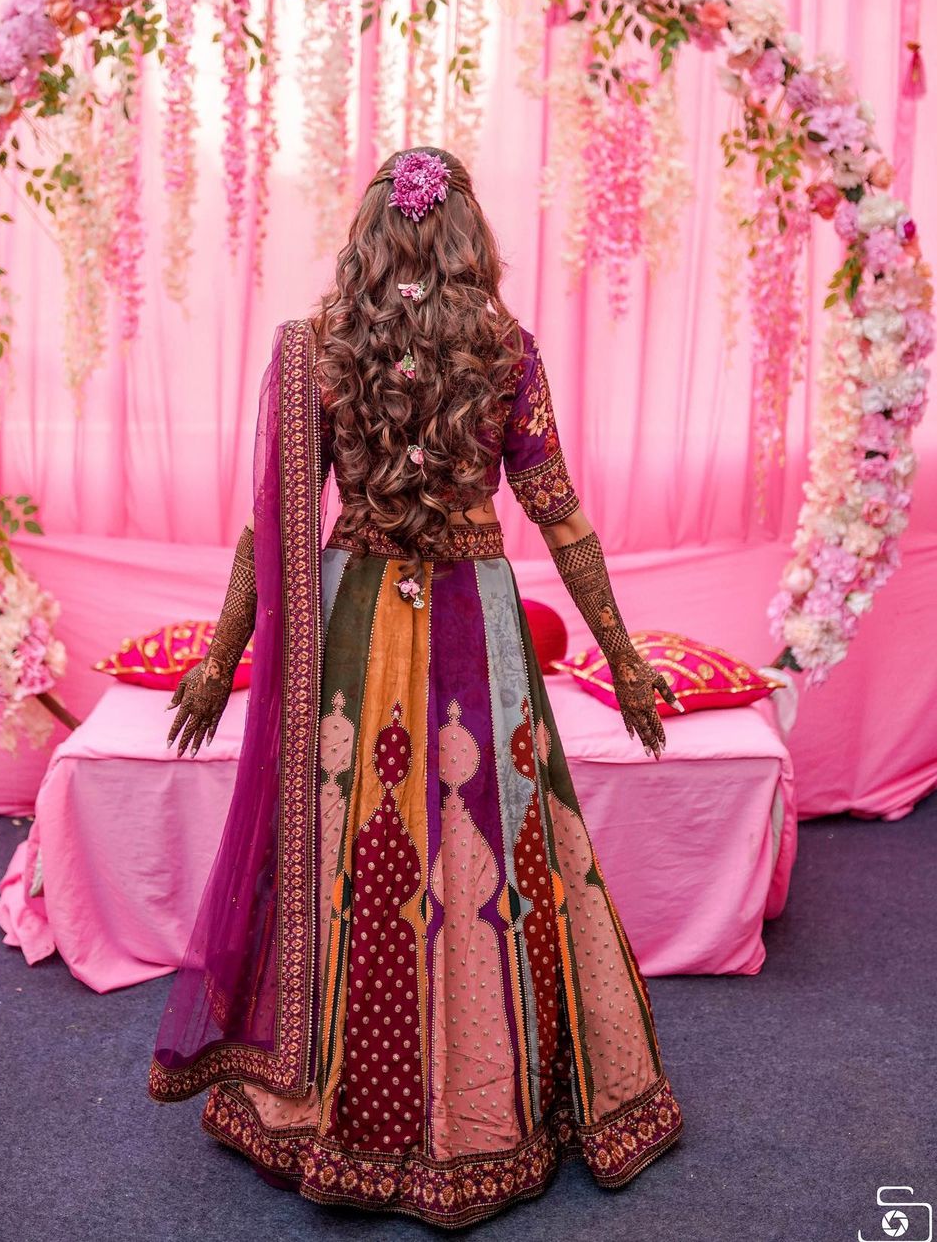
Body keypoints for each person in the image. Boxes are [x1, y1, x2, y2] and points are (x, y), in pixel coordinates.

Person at [149, 147, 685, 1228]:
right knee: (486, 837)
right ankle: (496, 1104)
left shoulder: (320, 350)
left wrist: (220, 660)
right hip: (474, 628)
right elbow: (560, 512)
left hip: (353, 624)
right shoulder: (504, 351)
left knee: (355, 839)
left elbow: (269, 527)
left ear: (370, 235)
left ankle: (333, 1101)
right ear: (466, 238)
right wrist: (622, 652)